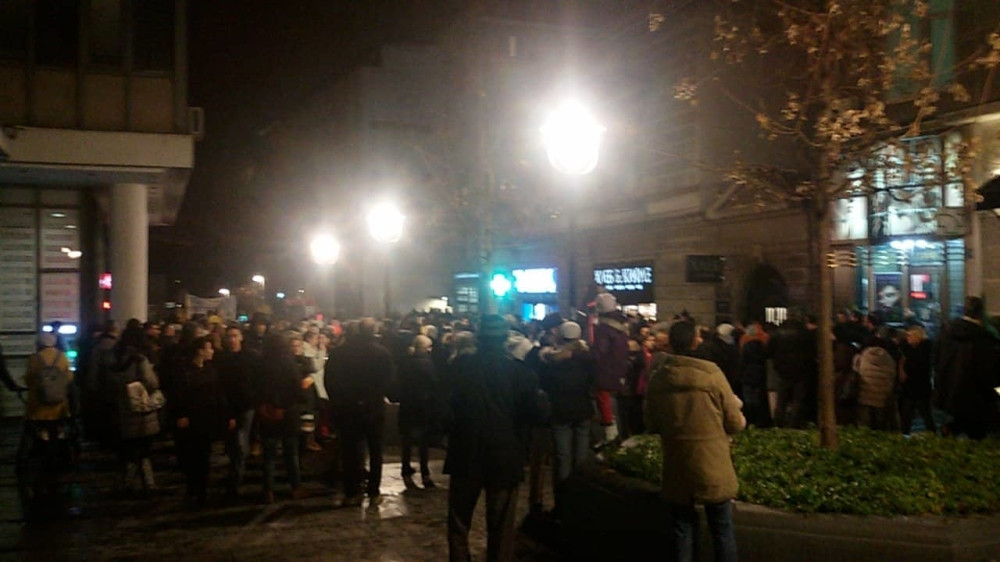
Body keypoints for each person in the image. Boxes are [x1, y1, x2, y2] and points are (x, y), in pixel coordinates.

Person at [445, 315, 548, 562]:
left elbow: (444, 407)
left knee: (459, 520)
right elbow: (537, 414)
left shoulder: (459, 367)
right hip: (504, 452)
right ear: (505, 339)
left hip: (465, 450)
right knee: (502, 523)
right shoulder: (520, 372)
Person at [644, 320, 745, 562]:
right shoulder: (711, 374)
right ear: (694, 341)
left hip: (677, 462)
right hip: (712, 462)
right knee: (721, 528)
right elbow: (735, 422)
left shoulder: (659, 379)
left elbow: (651, 423)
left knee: (682, 528)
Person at [325, 317, 396, 506]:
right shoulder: (382, 353)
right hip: (373, 406)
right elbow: (389, 380)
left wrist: (340, 400)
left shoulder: (340, 353)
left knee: (350, 450)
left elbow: (330, 380)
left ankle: (351, 490)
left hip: (348, 407)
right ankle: (373, 489)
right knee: (375, 449)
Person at [538, 321, 594, 521]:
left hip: (560, 411)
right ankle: (582, 499)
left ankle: (564, 502)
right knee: (581, 456)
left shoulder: (552, 360)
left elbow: (545, 384)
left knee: (563, 457)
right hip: (582, 410)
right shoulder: (587, 358)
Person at [172, 337, 235, 508]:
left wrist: (228, 415)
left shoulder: (211, 370)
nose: (212, 351)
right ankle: (193, 487)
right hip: (192, 419)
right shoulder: (185, 372)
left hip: (207, 418)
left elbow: (219, 394)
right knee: (192, 455)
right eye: (209, 348)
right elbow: (178, 395)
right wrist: (181, 414)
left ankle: (201, 491)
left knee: (204, 455)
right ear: (200, 351)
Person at [255, 333, 311, 503]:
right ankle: (295, 487)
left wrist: (266, 405)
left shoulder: (262, 364)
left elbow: (258, 387)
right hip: (288, 413)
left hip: (268, 412)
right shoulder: (290, 363)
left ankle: (268, 490)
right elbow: (296, 389)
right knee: (291, 454)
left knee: (269, 454)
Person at [935, 296, 1000, 439]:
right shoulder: (984, 338)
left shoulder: (946, 332)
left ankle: (949, 431)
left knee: (959, 424)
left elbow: (937, 360)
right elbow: (988, 372)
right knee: (977, 433)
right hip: (976, 396)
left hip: (949, 392)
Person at [108, 324, 161, 494]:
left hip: (121, 408)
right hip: (140, 410)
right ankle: (145, 483)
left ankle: (123, 483)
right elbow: (151, 382)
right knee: (143, 449)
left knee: (127, 449)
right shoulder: (140, 360)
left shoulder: (113, 358)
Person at [216, 325, 258, 496]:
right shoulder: (222, 359)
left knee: (240, 442)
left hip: (246, 405)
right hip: (228, 406)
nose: (232, 339)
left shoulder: (250, 357)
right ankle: (235, 472)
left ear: (241, 337)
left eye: (235, 336)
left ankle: (236, 479)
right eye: (229, 336)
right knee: (233, 443)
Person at [591, 292, 629, 448]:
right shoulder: (621, 326)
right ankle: (618, 436)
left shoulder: (604, 328)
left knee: (603, 402)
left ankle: (610, 436)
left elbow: (599, 352)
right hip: (619, 371)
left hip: (605, 372)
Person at [898, 325, 936, 435]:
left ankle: (931, 433)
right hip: (911, 386)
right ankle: (905, 434)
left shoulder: (924, 349)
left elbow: (916, 366)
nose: (907, 338)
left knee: (925, 413)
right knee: (909, 414)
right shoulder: (909, 348)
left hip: (920, 386)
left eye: (910, 336)